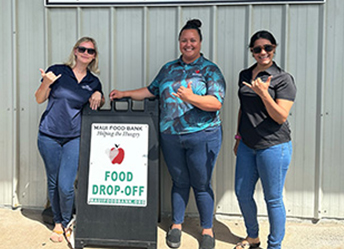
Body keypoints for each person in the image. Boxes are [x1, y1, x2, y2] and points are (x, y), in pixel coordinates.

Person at [109, 19, 226, 249]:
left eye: (192, 40)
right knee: (179, 181)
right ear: (179, 43)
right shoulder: (168, 68)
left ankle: (207, 230)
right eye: (184, 40)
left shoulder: (210, 70)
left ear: (200, 43)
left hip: (202, 135)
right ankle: (176, 226)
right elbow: (151, 91)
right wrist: (125, 93)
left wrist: (191, 98)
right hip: (171, 135)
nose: (188, 44)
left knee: (201, 184)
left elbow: (216, 102)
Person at [35, 37, 104, 243]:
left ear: (93, 56)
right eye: (82, 49)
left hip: (74, 137)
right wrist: (46, 82)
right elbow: (39, 98)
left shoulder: (93, 81)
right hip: (48, 135)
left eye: (90, 51)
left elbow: (98, 101)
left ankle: (67, 220)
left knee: (66, 185)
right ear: (75, 51)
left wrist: (99, 93)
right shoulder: (57, 71)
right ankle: (59, 223)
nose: (85, 53)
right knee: (54, 182)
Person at [233, 30, 296, 249]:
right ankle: (253, 237)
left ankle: (274, 245)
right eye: (258, 49)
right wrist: (238, 137)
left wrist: (264, 93)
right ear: (252, 51)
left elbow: (280, 116)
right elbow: (244, 108)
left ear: (274, 48)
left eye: (267, 48)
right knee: (241, 192)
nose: (263, 52)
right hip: (247, 145)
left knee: (273, 199)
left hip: (273, 146)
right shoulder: (244, 75)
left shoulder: (283, 78)